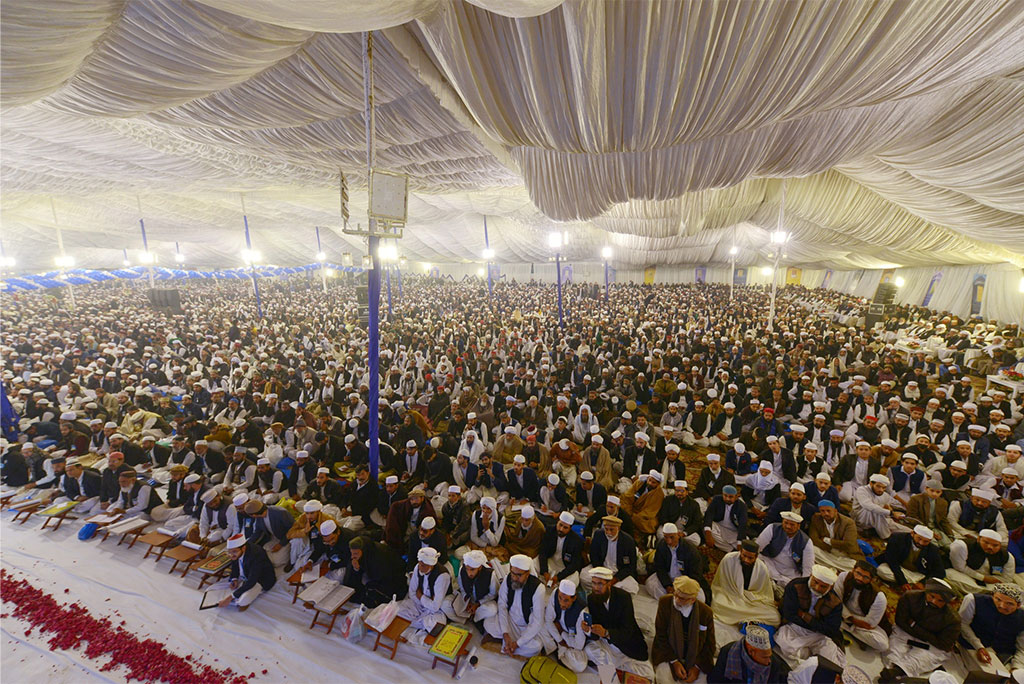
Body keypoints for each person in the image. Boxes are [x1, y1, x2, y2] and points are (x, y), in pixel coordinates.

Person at [582, 566, 654, 680]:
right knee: (589, 650)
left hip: (624, 643)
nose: (596, 588)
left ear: (609, 583)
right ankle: (610, 679)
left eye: (600, 584)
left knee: (649, 674)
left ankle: (615, 668)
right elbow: (596, 631)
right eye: (594, 583)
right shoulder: (592, 598)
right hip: (607, 643)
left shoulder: (623, 598)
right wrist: (589, 630)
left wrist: (606, 633)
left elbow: (628, 630)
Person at [881, 580, 960, 680]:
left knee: (921, 658)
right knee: (893, 654)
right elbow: (900, 621)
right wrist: (924, 634)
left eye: (940, 601)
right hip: (906, 633)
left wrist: (914, 626)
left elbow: (944, 644)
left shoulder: (953, 619)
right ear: (926, 592)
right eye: (932, 597)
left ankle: (896, 673)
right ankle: (896, 674)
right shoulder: (909, 597)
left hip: (928, 644)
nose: (934, 602)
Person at [775, 564, 845, 668]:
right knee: (787, 645)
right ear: (811, 575)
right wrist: (817, 624)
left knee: (832, 660)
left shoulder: (835, 602)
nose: (817, 587)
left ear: (830, 587)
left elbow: (831, 629)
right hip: (794, 627)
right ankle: (810, 660)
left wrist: (805, 616)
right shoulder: (795, 586)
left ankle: (812, 660)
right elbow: (789, 614)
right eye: (815, 582)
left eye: (823, 586)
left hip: (818, 634)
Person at [651, 576, 716, 684]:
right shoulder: (665, 602)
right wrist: (674, 662)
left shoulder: (706, 613)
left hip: (696, 657)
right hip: (669, 654)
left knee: (703, 681)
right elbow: (661, 636)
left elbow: (709, 644)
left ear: (693, 599)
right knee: (663, 678)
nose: (676, 600)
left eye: (682, 599)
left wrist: (696, 667)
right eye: (675, 595)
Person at [485, 554, 546, 657]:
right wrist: (505, 632)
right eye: (513, 573)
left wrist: (518, 643)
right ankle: (509, 645)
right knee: (487, 623)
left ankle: (509, 647)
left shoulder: (538, 588)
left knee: (536, 646)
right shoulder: (508, 579)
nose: (515, 578)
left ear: (527, 573)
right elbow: (502, 604)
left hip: (526, 626)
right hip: (510, 620)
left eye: (519, 575)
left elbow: (537, 621)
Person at [710, 540, 780, 627]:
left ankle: (745, 620)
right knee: (718, 604)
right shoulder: (728, 559)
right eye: (744, 555)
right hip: (729, 595)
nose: (746, 560)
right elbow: (720, 584)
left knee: (775, 616)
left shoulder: (762, 568)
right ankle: (750, 620)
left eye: (750, 558)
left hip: (751, 600)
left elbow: (764, 593)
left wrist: (747, 596)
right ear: (740, 552)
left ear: (756, 557)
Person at [958, 584, 1024, 673]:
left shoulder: (1022, 617)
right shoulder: (973, 600)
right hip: (972, 644)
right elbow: (963, 625)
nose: (1002, 606)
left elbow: (1022, 647)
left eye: (1009, 603)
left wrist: (1016, 668)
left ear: (1018, 605)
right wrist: (979, 647)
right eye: (998, 599)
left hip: (1005, 652)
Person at [834, 561, 890, 652]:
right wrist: (846, 615)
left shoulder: (879, 597)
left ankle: (844, 628)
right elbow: (836, 600)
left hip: (860, 622)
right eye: (858, 573)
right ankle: (853, 633)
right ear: (853, 570)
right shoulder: (844, 577)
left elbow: (870, 624)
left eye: (865, 577)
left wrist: (849, 618)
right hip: (842, 613)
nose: (860, 578)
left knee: (882, 645)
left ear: (872, 580)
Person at [646, 523, 709, 602]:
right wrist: (667, 586)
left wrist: (682, 589)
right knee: (651, 584)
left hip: (685, 580)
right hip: (668, 577)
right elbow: (660, 568)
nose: (668, 541)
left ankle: (672, 600)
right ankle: (676, 601)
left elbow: (695, 574)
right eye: (666, 537)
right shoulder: (662, 545)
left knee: (700, 598)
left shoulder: (690, 550)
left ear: (678, 535)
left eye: (672, 537)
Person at [947, 528, 1019, 595]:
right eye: (986, 543)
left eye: (995, 545)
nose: (990, 547)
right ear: (978, 539)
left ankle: (987, 593)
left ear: (1000, 545)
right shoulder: (962, 546)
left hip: (992, 581)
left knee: (1014, 589)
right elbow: (960, 568)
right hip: (965, 575)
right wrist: (983, 578)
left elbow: (1007, 578)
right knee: (952, 575)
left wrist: (991, 580)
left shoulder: (1007, 556)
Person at [710, 624, 790, 683]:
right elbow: (716, 680)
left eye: (769, 656)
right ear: (751, 652)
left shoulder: (773, 664)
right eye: (764, 657)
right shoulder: (728, 653)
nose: (769, 661)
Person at [540, 578, 589, 673]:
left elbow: (579, 645)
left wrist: (561, 633)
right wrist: (560, 640)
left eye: (566, 600)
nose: (562, 603)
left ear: (574, 598)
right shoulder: (555, 593)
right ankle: (558, 648)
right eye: (560, 598)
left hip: (570, 637)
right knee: (540, 626)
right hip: (559, 634)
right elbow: (549, 620)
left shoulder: (581, 611)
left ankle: (556, 649)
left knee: (581, 665)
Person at [343, 536, 407, 609]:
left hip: (393, 582)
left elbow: (386, 578)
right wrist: (356, 569)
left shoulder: (379, 557)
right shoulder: (362, 555)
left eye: (355, 553)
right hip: (377, 578)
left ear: (363, 550)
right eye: (352, 553)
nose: (352, 556)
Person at [398, 546, 450, 635]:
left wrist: (421, 596)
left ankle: (419, 623)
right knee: (398, 610)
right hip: (419, 604)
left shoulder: (442, 576)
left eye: (423, 565)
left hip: (436, 611)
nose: (420, 567)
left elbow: (435, 607)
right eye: (419, 563)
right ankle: (421, 623)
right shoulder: (418, 567)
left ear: (431, 565)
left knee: (435, 624)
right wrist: (422, 602)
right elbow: (412, 592)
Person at [581, 515, 639, 594]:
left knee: (631, 587)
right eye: (606, 529)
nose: (608, 533)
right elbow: (594, 557)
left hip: (618, 572)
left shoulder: (628, 541)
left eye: (611, 530)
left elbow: (630, 567)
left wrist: (614, 579)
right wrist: (601, 576)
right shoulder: (599, 535)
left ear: (618, 529)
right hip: (601, 569)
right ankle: (599, 592)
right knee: (584, 576)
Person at [218, 533, 276, 611]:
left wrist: (230, 597)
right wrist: (234, 578)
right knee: (226, 589)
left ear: (244, 548)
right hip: (247, 575)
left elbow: (252, 580)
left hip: (261, 579)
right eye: (229, 552)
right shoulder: (235, 552)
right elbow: (235, 564)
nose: (231, 555)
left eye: (234, 552)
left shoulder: (256, 554)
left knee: (242, 601)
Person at [756, 511, 814, 588]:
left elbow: (808, 567)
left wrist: (803, 586)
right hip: (770, 561)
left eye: (792, 524)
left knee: (795, 585)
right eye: (786, 523)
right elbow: (758, 546)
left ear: (798, 526)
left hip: (790, 570)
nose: (788, 526)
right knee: (759, 566)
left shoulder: (806, 541)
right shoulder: (772, 528)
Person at [442, 549, 497, 628]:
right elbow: (461, 586)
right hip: (467, 598)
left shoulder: (490, 574)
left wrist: (478, 604)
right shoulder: (462, 569)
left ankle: (474, 617)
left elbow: (493, 594)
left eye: (472, 570)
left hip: (482, 601)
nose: (469, 573)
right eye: (467, 569)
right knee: (445, 604)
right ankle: (463, 620)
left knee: (492, 610)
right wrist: (465, 598)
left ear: (480, 567)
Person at [808, 499, 863, 572]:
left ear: (835, 511)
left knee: (852, 565)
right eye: (822, 511)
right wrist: (830, 548)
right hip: (826, 550)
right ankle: (838, 568)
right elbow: (814, 539)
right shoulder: (816, 518)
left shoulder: (848, 522)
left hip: (844, 553)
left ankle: (828, 566)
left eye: (828, 511)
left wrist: (827, 540)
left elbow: (849, 544)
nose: (826, 513)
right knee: (811, 549)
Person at [537, 511, 584, 587]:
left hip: (564, 566)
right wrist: (544, 571)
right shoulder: (549, 530)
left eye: (565, 527)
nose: (561, 529)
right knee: (533, 563)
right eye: (560, 525)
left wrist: (559, 577)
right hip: (550, 562)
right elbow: (543, 552)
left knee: (574, 578)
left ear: (570, 528)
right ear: (557, 522)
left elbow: (574, 565)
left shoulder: (576, 540)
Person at [286, 499, 334, 573]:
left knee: (298, 567)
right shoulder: (303, 518)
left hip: (320, 546)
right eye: (307, 513)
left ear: (318, 512)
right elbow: (289, 534)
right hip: (308, 543)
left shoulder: (326, 519)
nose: (309, 516)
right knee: (296, 540)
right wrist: (304, 531)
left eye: (312, 513)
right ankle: (292, 562)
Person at [852, 473, 906, 539]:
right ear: (871, 483)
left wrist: (897, 510)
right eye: (878, 486)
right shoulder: (862, 490)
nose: (881, 490)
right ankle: (887, 537)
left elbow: (896, 503)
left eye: (883, 487)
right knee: (877, 511)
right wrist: (891, 513)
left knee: (906, 530)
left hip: (880, 520)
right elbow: (869, 506)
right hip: (861, 519)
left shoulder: (883, 494)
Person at [240, 499, 292, 566]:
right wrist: (245, 545)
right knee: (262, 555)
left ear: (254, 515)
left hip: (286, 538)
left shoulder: (280, 513)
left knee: (276, 561)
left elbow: (292, 530)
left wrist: (281, 544)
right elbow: (257, 533)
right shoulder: (259, 518)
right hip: (275, 538)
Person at [703, 485, 748, 552]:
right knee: (707, 529)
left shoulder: (742, 506)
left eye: (730, 497)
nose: (727, 499)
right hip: (718, 526)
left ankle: (725, 547)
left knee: (745, 542)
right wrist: (708, 534)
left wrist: (739, 542)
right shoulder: (717, 499)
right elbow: (709, 515)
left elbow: (743, 525)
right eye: (725, 496)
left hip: (733, 530)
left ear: (736, 497)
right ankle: (731, 550)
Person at [658, 480, 703, 546]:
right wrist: (671, 530)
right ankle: (678, 543)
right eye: (677, 491)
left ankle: (673, 542)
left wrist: (684, 533)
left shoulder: (694, 504)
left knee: (696, 540)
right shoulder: (668, 500)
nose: (679, 493)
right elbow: (663, 517)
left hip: (684, 530)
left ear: (687, 492)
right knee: (660, 534)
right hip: (670, 527)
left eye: (682, 491)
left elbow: (697, 523)